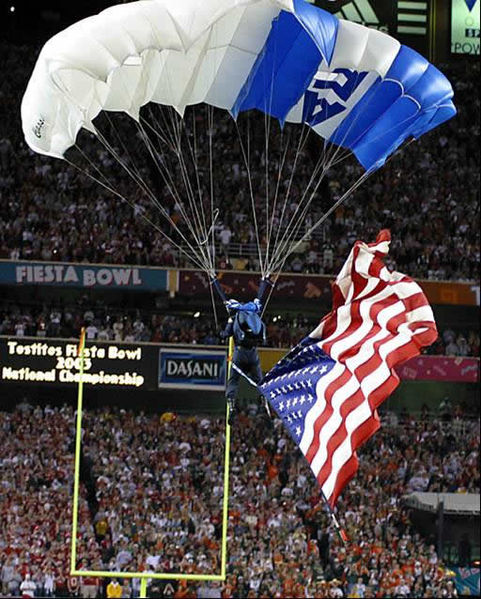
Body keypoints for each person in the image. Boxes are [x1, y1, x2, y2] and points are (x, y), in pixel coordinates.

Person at [220, 297, 267, 424]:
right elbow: (263, 339)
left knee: (233, 381)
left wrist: (224, 329)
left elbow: (225, 335)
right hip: (253, 354)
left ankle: (232, 405)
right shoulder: (256, 319)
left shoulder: (235, 319)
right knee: (259, 380)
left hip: (239, 354)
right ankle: (264, 400)